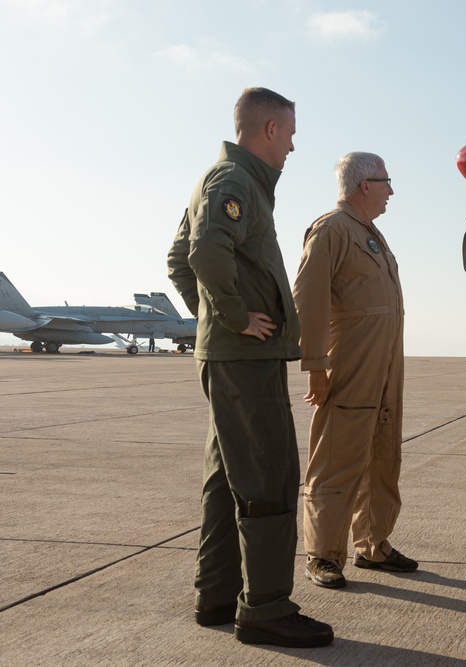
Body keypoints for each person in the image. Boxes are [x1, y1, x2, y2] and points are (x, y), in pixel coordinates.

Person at [166, 87, 333, 648]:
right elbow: (202, 252)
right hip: (245, 359)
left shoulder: (222, 180)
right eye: (288, 132)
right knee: (269, 477)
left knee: (227, 479)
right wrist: (234, 317)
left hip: (232, 356)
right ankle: (264, 608)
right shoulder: (235, 182)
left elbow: (178, 257)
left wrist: (214, 318)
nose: (292, 144)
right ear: (267, 130)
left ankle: (216, 595)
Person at [293, 152, 416, 590]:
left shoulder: (371, 235)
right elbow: (308, 299)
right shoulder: (331, 229)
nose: (391, 191)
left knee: (383, 453)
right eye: (387, 182)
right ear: (366, 184)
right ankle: (322, 554)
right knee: (337, 459)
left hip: (385, 362)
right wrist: (315, 366)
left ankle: (373, 543)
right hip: (350, 360)